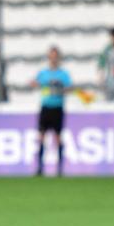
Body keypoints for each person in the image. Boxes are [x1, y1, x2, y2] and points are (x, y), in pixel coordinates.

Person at [30, 46, 72, 177]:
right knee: (41, 136)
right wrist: (41, 85)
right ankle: (40, 168)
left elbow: (69, 88)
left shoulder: (63, 74)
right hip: (46, 107)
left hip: (57, 107)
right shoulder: (43, 73)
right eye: (51, 56)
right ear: (49, 57)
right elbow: (34, 83)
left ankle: (60, 168)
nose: (53, 58)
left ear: (58, 57)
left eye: (55, 56)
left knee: (58, 137)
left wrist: (59, 88)